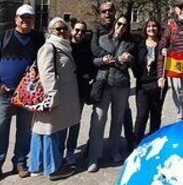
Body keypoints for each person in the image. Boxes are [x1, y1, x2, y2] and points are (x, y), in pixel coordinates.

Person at [0, 4, 46, 185]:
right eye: (22, 18)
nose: (26, 21)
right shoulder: (4, 37)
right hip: (6, 93)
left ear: (34, 20)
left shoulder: (39, 39)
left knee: (25, 130)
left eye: (30, 18)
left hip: (28, 95)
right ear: (16, 19)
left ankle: (20, 162)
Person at [29, 18, 81, 180]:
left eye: (64, 29)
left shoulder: (64, 46)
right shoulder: (49, 47)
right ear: (51, 31)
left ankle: (37, 165)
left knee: (45, 130)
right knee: (49, 131)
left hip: (62, 96)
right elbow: (47, 73)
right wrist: (52, 97)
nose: (62, 32)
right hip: (54, 97)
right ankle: (53, 168)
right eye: (58, 29)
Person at [87, 14, 136, 172]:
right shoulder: (102, 40)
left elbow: (133, 62)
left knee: (118, 119)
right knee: (99, 119)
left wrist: (129, 59)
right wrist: (103, 61)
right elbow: (93, 61)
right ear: (115, 24)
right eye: (119, 24)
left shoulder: (129, 43)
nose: (121, 27)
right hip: (104, 84)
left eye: (125, 25)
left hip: (121, 85)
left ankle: (115, 151)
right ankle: (93, 157)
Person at [65, 21, 94, 166]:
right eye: (77, 30)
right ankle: (59, 151)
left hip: (80, 89)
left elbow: (91, 65)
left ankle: (70, 151)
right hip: (65, 90)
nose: (79, 34)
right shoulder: (65, 46)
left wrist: (88, 75)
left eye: (82, 32)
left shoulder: (87, 47)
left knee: (75, 122)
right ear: (72, 30)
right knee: (63, 122)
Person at [134, 18, 166, 142]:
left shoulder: (163, 45)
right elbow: (135, 63)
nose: (151, 29)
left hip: (158, 83)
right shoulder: (140, 44)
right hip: (142, 84)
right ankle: (136, 143)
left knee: (156, 114)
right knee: (141, 115)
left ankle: (153, 141)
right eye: (149, 26)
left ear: (158, 29)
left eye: (154, 26)